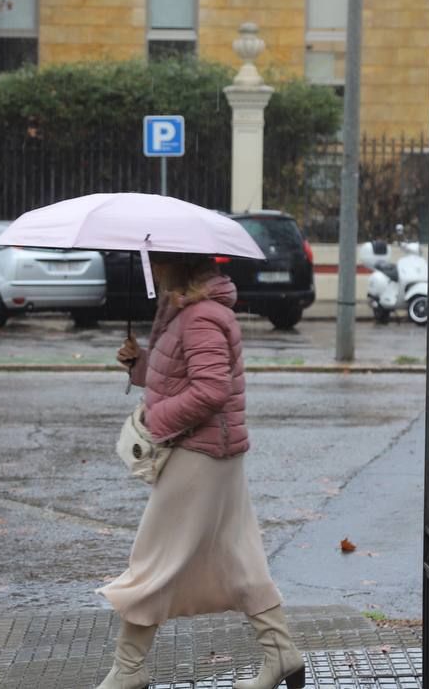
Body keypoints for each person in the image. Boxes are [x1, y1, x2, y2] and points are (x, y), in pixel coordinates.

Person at [97, 252, 304, 689]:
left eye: (157, 262)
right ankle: (281, 652)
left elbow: (210, 389)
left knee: (155, 559)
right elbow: (180, 373)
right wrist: (140, 364)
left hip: (199, 453)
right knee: (240, 556)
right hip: (214, 452)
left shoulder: (201, 317)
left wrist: (156, 421)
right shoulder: (185, 311)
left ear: (177, 265)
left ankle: (128, 671)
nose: (150, 269)